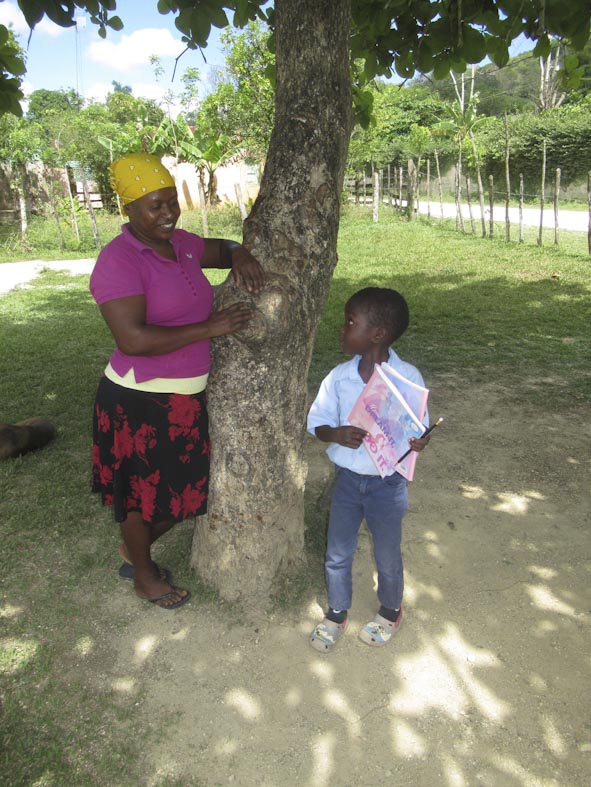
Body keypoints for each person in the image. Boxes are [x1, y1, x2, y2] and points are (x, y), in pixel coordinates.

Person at [90, 153, 265, 610]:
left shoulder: (182, 244)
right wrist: (211, 327)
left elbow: (221, 247)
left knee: (186, 491)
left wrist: (239, 253)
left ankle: (135, 549)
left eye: (172, 201)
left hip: (184, 397)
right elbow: (131, 338)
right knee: (139, 495)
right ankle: (144, 575)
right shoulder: (119, 260)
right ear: (127, 208)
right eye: (155, 205)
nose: (168, 213)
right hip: (137, 400)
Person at [307, 287, 430, 650]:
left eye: (349, 323)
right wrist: (336, 433)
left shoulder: (407, 378)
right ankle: (336, 613)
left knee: (387, 553)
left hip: (387, 486)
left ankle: (391, 610)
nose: (342, 330)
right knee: (337, 552)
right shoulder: (339, 378)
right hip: (347, 483)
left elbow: (418, 427)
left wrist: (420, 441)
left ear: (377, 334)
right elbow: (317, 424)